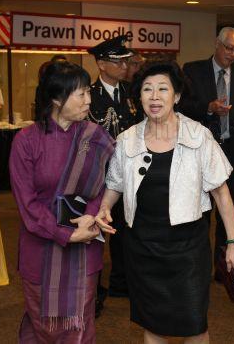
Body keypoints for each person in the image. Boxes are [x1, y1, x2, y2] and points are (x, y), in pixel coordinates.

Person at [95, 60, 234, 343]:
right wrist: (104, 206)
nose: (154, 96)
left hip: (187, 249)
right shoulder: (127, 140)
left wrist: (233, 243)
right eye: (147, 90)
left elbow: (221, 192)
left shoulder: (198, 135)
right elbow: (114, 184)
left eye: (163, 89)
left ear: (176, 96)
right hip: (142, 248)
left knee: (194, 325)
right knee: (152, 324)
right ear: (138, 97)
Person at [9, 61, 114, 343]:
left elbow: (108, 184)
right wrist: (66, 233)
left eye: (88, 92)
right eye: (80, 94)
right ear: (56, 98)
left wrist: (91, 217)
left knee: (80, 326)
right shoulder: (27, 141)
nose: (88, 100)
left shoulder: (95, 137)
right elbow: (27, 205)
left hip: (85, 249)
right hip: (40, 249)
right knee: (44, 325)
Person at [179, 27, 234, 272]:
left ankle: (223, 265)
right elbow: (181, 105)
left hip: (231, 150)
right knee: (200, 211)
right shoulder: (193, 70)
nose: (233, 54)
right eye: (229, 48)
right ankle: (198, 263)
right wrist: (208, 107)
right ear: (217, 44)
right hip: (199, 152)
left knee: (228, 209)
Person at [86, 36, 141, 313]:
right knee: (96, 234)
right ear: (101, 64)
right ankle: (92, 291)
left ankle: (121, 281)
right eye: (117, 61)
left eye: (124, 60)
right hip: (98, 177)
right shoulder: (89, 95)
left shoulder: (131, 91)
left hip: (128, 174)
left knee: (125, 229)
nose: (123, 65)